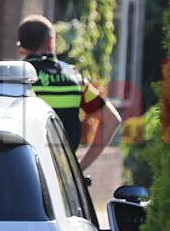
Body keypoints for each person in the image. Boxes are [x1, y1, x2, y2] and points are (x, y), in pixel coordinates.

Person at [16, 14, 121, 169]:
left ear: (21, 48)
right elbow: (112, 120)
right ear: (51, 42)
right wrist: (80, 167)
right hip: (61, 175)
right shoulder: (74, 78)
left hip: (23, 169)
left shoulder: (14, 78)